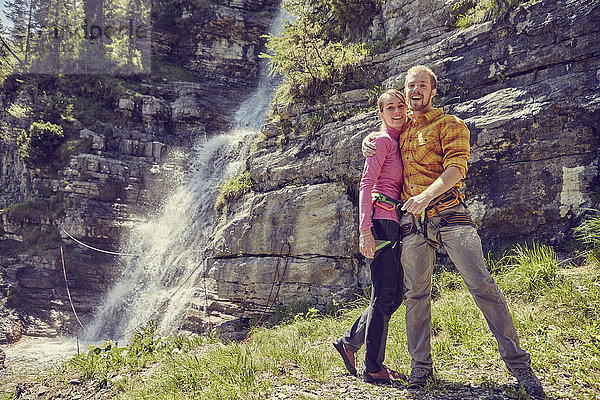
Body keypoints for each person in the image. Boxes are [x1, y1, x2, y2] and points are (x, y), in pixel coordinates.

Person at [362, 65, 546, 398]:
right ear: (404, 93)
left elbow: (456, 168)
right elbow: (381, 139)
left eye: (422, 85)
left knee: (482, 285)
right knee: (416, 296)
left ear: (433, 92)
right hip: (412, 224)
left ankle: (520, 366)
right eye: (410, 86)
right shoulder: (401, 131)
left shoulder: (451, 124)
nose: (415, 90)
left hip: (450, 214)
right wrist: (369, 139)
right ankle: (421, 368)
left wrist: (425, 196)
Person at [333, 89, 407, 385]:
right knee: (383, 295)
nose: (398, 111)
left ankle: (350, 343)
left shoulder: (399, 140)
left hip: (393, 223)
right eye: (390, 107)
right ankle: (373, 367)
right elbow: (366, 184)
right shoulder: (382, 140)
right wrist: (364, 231)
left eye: (401, 105)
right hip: (379, 223)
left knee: (394, 295)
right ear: (381, 114)